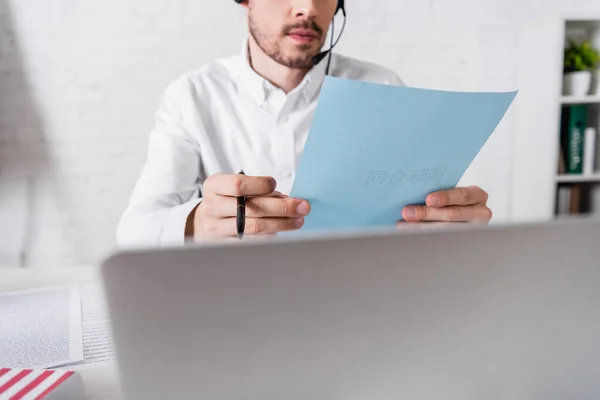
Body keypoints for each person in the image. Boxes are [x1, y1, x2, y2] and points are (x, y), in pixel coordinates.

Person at [116, 0, 492, 247]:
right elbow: (134, 232)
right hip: (238, 303)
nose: (307, 8)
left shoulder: (383, 87)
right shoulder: (192, 95)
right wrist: (198, 219)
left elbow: (420, 220)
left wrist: (449, 226)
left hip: (360, 297)